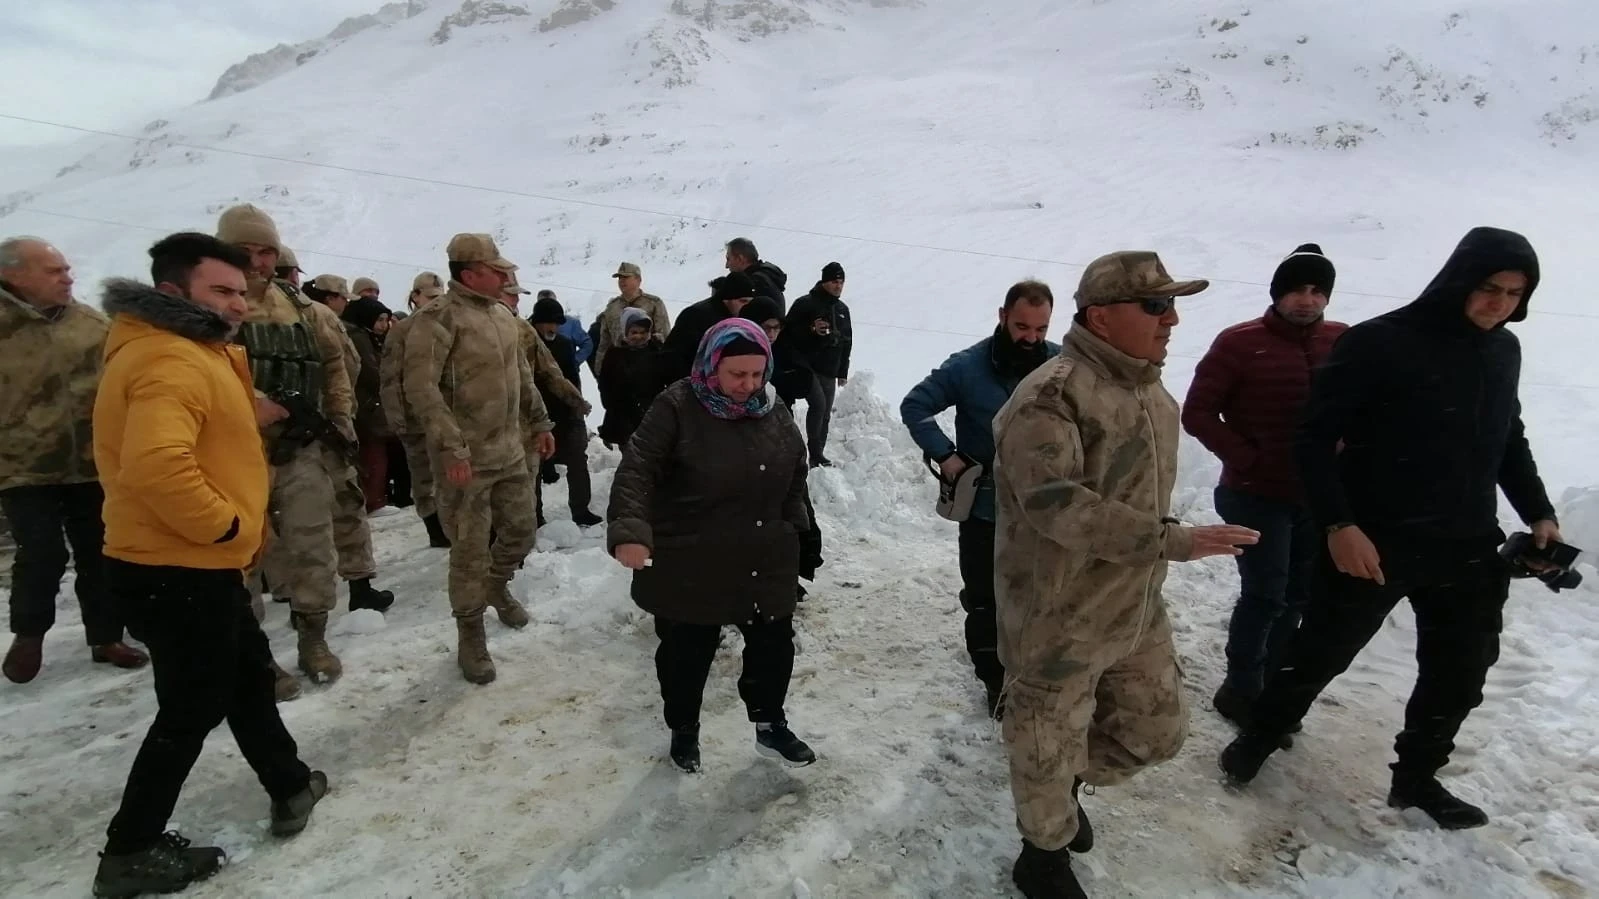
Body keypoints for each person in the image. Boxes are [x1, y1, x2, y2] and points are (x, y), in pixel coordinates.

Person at [1219, 227, 1558, 831]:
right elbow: (1314, 440)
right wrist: (1339, 525)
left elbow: (1508, 437)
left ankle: (1418, 778)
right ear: (1460, 280)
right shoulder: (1381, 342)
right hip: (1375, 539)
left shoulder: (1503, 351)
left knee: (1460, 671)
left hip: (1466, 543)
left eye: (1514, 293)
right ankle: (1261, 735)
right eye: (1488, 288)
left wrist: (1539, 511)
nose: (1499, 303)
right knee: (1320, 652)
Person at [993, 251, 1258, 898]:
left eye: (1172, 305)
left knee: (1155, 732)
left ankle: (1060, 786)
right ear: (1100, 316)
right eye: (1154, 305)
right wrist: (1172, 542)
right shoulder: (1050, 396)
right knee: (1043, 737)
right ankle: (1042, 853)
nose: (1170, 319)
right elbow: (1056, 504)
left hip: (1133, 604)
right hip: (1057, 613)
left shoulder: (1146, 387)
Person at [91, 233, 326, 898]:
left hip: (193, 565)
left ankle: (287, 782)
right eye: (221, 291)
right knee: (191, 706)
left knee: (246, 673)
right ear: (174, 294)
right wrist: (225, 525)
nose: (240, 304)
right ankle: (129, 849)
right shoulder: (170, 358)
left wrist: (268, 409)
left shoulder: (193, 351)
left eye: (241, 291)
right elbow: (158, 464)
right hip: (177, 565)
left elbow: (205, 420)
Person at [608, 319, 816, 773]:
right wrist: (629, 531)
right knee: (687, 653)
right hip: (692, 555)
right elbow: (637, 471)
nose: (749, 385)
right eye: (737, 375)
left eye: (757, 374)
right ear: (711, 364)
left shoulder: (773, 408)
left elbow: (795, 472)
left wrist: (801, 528)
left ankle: (770, 725)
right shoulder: (677, 407)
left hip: (763, 552)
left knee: (773, 644)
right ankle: (684, 729)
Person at [1182, 244, 1347, 727]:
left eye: (1318, 291)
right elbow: (1197, 412)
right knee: (1266, 594)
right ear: (1277, 293)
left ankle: (1274, 685)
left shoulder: (1342, 341)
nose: (1307, 300)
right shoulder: (1239, 343)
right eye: (1297, 289)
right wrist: (1246, 457)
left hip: (1314, 496)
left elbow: (1367, 402)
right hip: (1254, 492)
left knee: (1299, 595)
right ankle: (1241, 688)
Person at [899, 281, 1060, 718]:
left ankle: (1035, 672)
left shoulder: (1062, 366)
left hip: (1045, 512)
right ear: (1002, 315)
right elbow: (915, 406)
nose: (1030, 337)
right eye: (1022, 325)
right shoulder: (967, 367)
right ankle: (994, 680)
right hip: (985, 510)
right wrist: (946, 456)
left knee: (1040, 596)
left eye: (1040, 328)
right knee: (985, 597)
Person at [404, 234, 555, 683]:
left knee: (522, 532)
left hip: (509, 450)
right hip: (465, 460)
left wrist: (542, 423)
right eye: (497, 270)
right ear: (470, 274)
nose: (507, 276)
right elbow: (422, 389)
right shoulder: (437, 320)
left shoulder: (503, 318)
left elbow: (522, 376)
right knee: (468, 550)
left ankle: (496, 586)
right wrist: (451, 447)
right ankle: (470, 633)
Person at [218, 203, 354, 695]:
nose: (256, 262)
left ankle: (313, 638)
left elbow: (336, 368)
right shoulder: (209, 310)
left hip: (301, 449)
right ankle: (256, 657)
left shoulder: (302, 310)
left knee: (313, 545)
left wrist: (340, 421)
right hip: (233, 454)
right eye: (244, 251)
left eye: (266, 252)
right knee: (242, 557)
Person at [0, 236, 146, 683]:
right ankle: (29, 634)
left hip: (90, 463)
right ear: (13, 275)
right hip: (22, 467)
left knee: (100, 551)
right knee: (41, 552)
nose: (68, 277)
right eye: (54, 270)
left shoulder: (90, 323)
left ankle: (105, 637)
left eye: (66, 269)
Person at [382, 272, 451, 547]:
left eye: (439, 297)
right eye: (430, 297)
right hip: (415, 416)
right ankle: (434, 527)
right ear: (415, 297)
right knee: (423, 474)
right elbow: (390, 376)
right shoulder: (402, 331)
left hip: (446, 413)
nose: (436, 303)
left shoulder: (448, 325)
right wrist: (396, 416)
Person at [531, 294, 600, 526]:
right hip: (535, 417)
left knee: (578, 461)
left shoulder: (564, 344)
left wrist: (577, 404)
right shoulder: (523, 344)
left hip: (566, 414)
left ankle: (581, 510)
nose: (553, 327)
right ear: (537, 322)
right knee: (534, 470)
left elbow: (572, 377)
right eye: (549, 322)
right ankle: (535, 516)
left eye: (557, 323)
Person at [782, 262, 853, 467]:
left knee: (824, 412)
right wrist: (811, 329)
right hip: (806, 366)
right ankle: (808, 452)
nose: (838, 286)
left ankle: (817, 454)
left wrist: (843, 371)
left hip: (829, 369)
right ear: (824, 281)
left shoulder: (842, 310)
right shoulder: (805, 304)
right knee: (818, 406)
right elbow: (786, 333)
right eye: (834, 281)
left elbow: (847, 341)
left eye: (841, 282)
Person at [342, 296, 395, 513]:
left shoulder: (368, 337)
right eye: (380, 320)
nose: (384, 325)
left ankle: (375, 499)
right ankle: (374, 501)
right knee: (373, 454)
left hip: (369, 404)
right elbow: (370, 372)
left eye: (386, 320)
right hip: (367, 405)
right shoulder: (360, 337)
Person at [597, 307, 669, 450]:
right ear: (625, 332)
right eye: (634, 332)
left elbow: (667, 377)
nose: (639, 336)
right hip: (624, 418)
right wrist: (613, 407)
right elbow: (605, 385)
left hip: (653, 416)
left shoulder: (657, 351)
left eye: (643, 332)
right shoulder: (614, 355)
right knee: (632, 459)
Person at [662, 272, 755, 381]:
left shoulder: (744, 318)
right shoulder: (696, 315)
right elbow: (673, 356)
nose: (747, 306)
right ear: (727, 299)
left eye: (750, 302)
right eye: (742, 301)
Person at [592, 262, 672, 374]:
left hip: (648, 366)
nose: (622, 281)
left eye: (626, 277)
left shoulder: (654, 304)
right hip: (619, 368)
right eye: (620, 277)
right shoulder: (612, 307)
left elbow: (665, 337)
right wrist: (600, 372)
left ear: (638, 280)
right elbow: (605, 343)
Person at [741, 296, 815, 409]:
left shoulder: (784, 346)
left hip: (780, 412)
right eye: (766, 328)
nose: (772, 334)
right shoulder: (738, 349)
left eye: (776, 328)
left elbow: (805, 382)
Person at [535, 289, 595, 376]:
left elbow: (587, 343)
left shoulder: (570, 323)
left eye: (551, 303)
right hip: (540, 376)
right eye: (543, 304)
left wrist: (575, 360)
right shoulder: (529, 325)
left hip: (567, 374)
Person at [724, 237, 787, 312]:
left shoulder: (754, 283)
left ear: (740, 259)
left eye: (728, 259)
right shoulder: (767, 277)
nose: (726, 265)